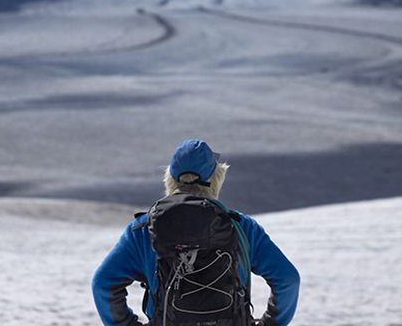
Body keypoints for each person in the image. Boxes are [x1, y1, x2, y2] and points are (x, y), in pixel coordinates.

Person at [92, 139, 300, 326]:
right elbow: (287, 279)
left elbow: (103, 284)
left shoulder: (144, 229)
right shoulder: (242, 227)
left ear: (170, 179)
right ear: (217, 177)